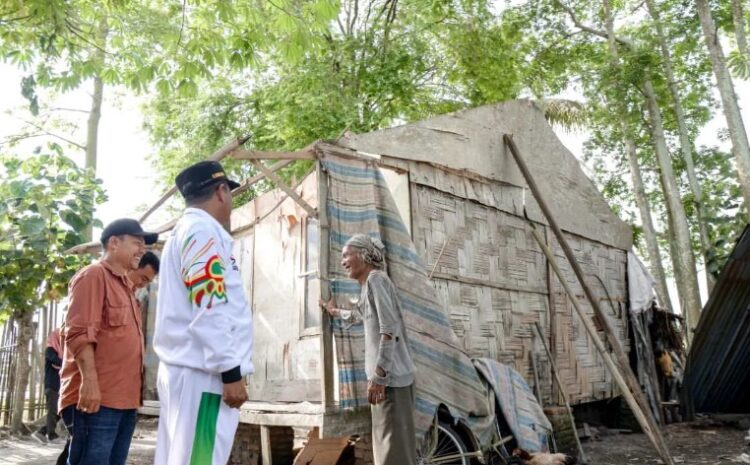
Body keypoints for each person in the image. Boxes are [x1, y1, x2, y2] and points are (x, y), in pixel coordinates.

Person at [153, 160, 253, 465]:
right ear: (222, 191)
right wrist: (230, 372)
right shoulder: (201, 232)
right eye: (231, 193)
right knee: (200, 459)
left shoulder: (187, 231)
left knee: (181, 458)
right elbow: (210, 305)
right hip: (205, 374)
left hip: (190, 369)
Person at [59, 218, 158, 465]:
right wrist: (89, 384)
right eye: (137, 243)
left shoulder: (125, 286)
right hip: (98, 400)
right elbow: (79, 333)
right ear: (114, 243)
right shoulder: (93, 276)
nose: (142, 250)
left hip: (124, 400)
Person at [321, 234, 417, 465]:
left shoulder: (376, 280)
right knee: (388, 450)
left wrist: (380, 375)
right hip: (385, 381)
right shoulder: (368, 286)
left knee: (393, 454)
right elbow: (360, 316)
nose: (343, 261)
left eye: (346, 255)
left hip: (390, 381)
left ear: (363, 255)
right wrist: (334, 312)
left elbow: (389, 328)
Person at [32, 328, 64, 444]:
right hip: (52, 385)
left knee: (61, 412)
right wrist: (69, 361)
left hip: (61, 385)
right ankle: (52, 436)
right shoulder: (50, 350)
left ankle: (41, 432)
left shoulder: (62, 351)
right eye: (60, 337)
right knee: (53, 410)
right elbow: (57, 362)